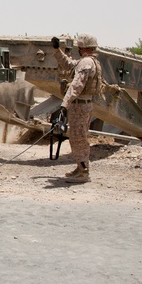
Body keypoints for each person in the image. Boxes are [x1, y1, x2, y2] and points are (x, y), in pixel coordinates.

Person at [51, 33, 103, 183]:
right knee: (78, 137)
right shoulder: (89, 61)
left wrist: (64, 105)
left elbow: (76, 85)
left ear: (83, 48)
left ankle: (83, 172)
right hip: (83, 105)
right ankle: (80, 167)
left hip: (80, 106)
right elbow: (68, 63)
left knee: (78, 138)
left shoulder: (86, 63)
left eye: (79, 48)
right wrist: (57, 50)